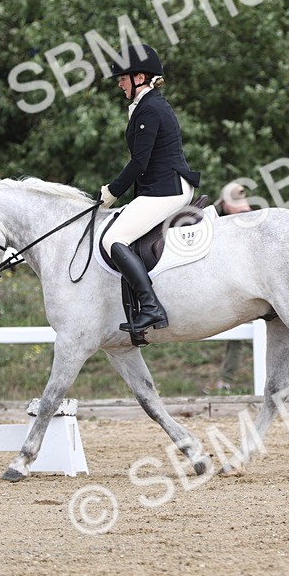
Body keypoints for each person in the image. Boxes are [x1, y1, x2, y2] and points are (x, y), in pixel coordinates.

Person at [100, 45, 201, 336]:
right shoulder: (147, 105)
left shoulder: (151, 108)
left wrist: (113, 191)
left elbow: (139, 162)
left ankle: (151, 306)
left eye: (123, 78)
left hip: (167, 190)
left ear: (140, 77)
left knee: (114, 239)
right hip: (159, 188)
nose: (119, 83)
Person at [210, 182, 252, 391]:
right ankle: (226, 381)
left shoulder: (230, 218)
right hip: (248, 284)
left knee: (239, 336)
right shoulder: (253, 215)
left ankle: (225, 382)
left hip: (240, 286)